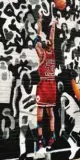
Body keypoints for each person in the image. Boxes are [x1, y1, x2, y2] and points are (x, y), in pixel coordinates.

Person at [33, 11, 57, 149]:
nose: (49, 40)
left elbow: (41, 38)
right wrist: (45, 23)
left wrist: (48, 24)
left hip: (46, 84)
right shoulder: (47, 52)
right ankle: (45, 137)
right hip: (48, 84)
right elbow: (41, 38)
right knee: (45, 114)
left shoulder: (45, 52)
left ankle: (46, 137)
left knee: (45, 114)